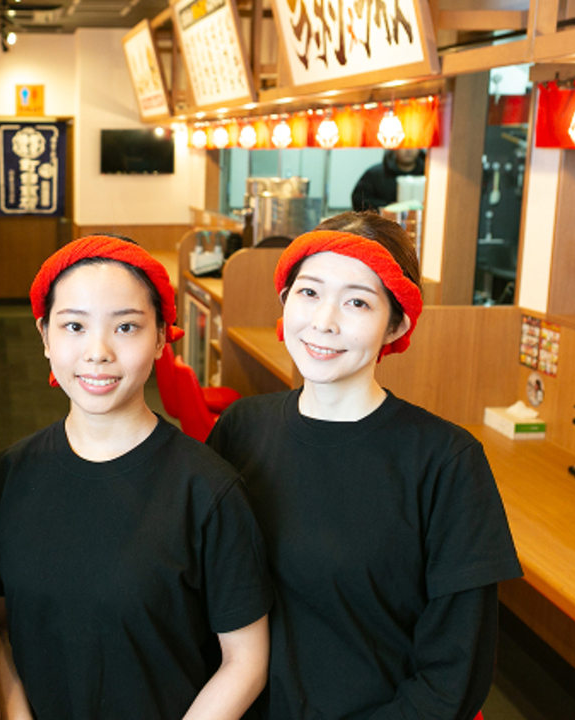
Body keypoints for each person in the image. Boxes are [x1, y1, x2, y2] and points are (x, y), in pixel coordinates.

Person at [206, 212, 523, 720]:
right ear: (285, 300)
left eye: (357, 302)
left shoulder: (446, 462)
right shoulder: (240, 429)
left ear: (397, 324)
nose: (324, 321)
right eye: (309, 292)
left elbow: (454, 677)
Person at [0, 236, 274, 720]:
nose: (98, 352)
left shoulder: (207, 490)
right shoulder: (7, 476)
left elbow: (245, 661)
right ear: (45, 336)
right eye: (74, 326)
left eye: (126, 327)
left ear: (160, 337)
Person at [350, 148, 425, 211]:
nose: (408, 150)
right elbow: (359, 200)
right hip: (382, 222)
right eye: (403, 145)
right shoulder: (374, 174)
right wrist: (387, 207)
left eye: (413, 145)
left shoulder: (429, 174)